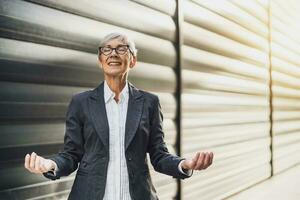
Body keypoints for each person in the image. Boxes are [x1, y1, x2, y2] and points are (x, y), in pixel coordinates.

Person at [24, 32, 213, 200]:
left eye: (121, 49)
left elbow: (158, 154)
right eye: (107, 50)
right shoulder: (81, 102)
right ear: (100, 60)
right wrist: (49, 164)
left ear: (133, 60)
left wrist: (185, 164)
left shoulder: (149, 102)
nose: (113, 53)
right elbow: (71, 154)